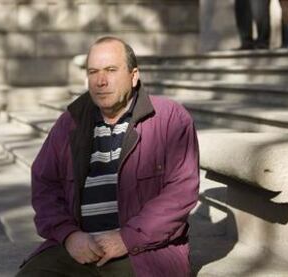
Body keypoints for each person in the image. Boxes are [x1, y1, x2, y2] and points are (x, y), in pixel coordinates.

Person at [16, 37, 200, 277]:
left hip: (143, 252)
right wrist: (69, 235)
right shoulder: (70, 122)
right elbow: (45, 184)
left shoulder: (170, 118)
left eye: (111, 70)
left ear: (134, 76)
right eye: (93, 72)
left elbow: (181, 191)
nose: (101, 81)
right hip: (79, 248)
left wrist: (127, 238)